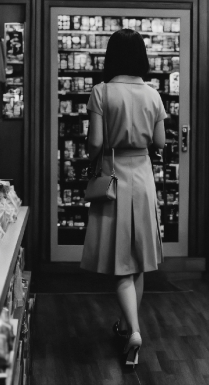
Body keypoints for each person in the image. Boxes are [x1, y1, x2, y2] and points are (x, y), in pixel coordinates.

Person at [80, 28, 166, 368]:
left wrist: (91, 156)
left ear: (111, 57)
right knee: (139, 260)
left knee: (120, 263)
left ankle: (133, 331)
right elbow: (159, 143)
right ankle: (126, 325)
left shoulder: (101, 92)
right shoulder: (153, 95)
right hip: (142, 178)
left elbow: (95, 143)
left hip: (114, 178)